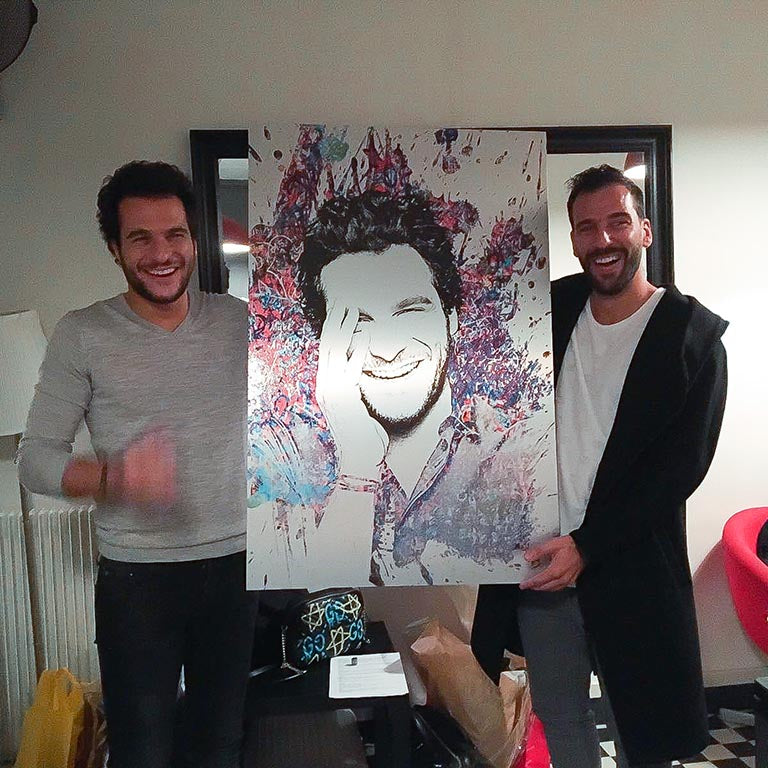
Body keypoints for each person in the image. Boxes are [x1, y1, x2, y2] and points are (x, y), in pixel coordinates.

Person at [472, 165, 728, 768]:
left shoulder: (691, 339)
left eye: (618, 222)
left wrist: (588, 547)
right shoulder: (551, 310)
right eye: (586, 228)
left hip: (632, 564)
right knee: (560, 713)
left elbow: (681, 470)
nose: (603, 240)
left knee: (644, 724)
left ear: (644, 230)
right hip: (542, 561)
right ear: (573, 240)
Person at [17, 161, 258, 768]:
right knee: (141, 751)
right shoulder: (82, 334)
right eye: (140, 238)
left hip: (239, 567)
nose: (162, 253)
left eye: (175, 234)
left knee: (220, 745)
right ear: (115, 250)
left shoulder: (241, 323)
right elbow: (35, 461)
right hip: (137, 577)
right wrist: (115, 477)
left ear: (194, 240)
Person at [260, 188, 554, 587]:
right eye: (357, 322)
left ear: (451, 319)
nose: (388, 349)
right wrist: (358, 466)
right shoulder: (287, 474)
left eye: (410, 311)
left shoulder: (524, 452)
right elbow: (326, 596)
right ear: (325, 341)